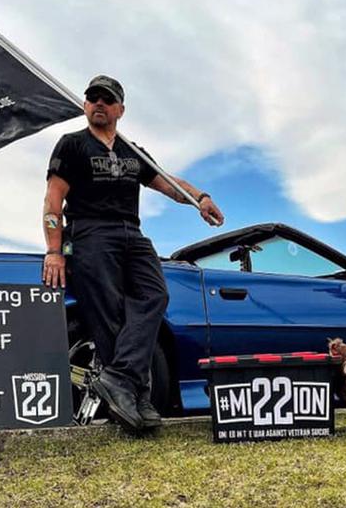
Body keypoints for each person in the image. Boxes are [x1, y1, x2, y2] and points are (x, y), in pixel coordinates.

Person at [42, 75, 224, 431]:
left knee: (155, 294)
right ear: (84, 105)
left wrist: (200, 198)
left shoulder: (131, 151)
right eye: (92, 98)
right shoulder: (72, 145)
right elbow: (53, 199)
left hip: (131, 233)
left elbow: (169, 184)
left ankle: (119, 380)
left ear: (119, 110)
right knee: (109, 314)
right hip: (89, 232)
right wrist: (54, 251)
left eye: (106, 99)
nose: (98, 103)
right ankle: (135, 395)